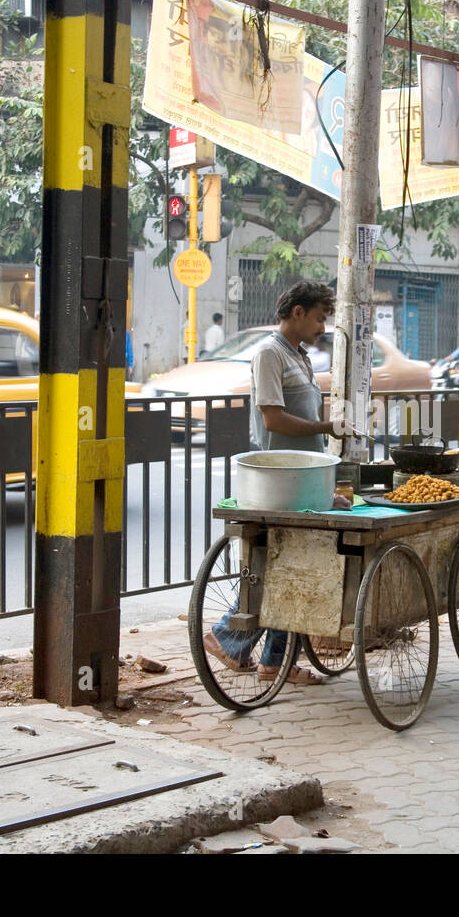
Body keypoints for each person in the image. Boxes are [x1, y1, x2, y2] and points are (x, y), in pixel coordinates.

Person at [206, 280, 346, 686]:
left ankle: (273, 660)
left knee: (295, 567)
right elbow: (273, 419)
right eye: (320, 318)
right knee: (282, 569)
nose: (323, 327)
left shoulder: (299, 356)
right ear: (298, 313)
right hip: (279, 480)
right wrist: (326, 426)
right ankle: (228, 636)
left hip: (304, 479)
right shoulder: (269, 353)